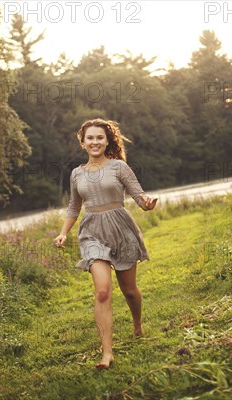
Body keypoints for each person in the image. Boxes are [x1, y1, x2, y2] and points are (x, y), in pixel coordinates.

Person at [53, 118, 158, 370]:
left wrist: (147, 203)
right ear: (83, 141)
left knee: (130, 290)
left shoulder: (119, 167)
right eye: (90, 137)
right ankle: (107, 353)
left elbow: (138, 194)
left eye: (100, 137)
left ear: (108, 140)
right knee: (102, 291)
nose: (95, 142)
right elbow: (74, 207)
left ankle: (137, 325)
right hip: (91, 232)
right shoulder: (76, 173)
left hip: (121, 229)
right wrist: (63, 233)